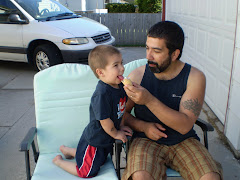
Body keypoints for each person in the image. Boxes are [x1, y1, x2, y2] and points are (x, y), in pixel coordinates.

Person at [121, 21, 222, 180]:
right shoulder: (137, 76)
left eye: (156, 51)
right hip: (145, 140)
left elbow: (185, 125)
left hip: (183, 140)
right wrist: (143, 126)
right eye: (147, 48)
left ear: (175, 54)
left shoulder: (194, 78)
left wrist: (148, 100)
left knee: (210, 177)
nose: (148, 56)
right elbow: (121, 115)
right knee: (140, 177)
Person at [53, 45, 132, 178]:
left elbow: (121, 110)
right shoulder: (102, 94)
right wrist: (117, 133)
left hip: (107, 137)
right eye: (116, 65)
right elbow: (105, 121)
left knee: (98, 161)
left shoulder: (120, 87)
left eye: (121, 63)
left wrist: (121, 125)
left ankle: (67, 150)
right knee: (87, 171)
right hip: (96, 140)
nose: (122, 68)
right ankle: (59, 161)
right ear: (101, 72)